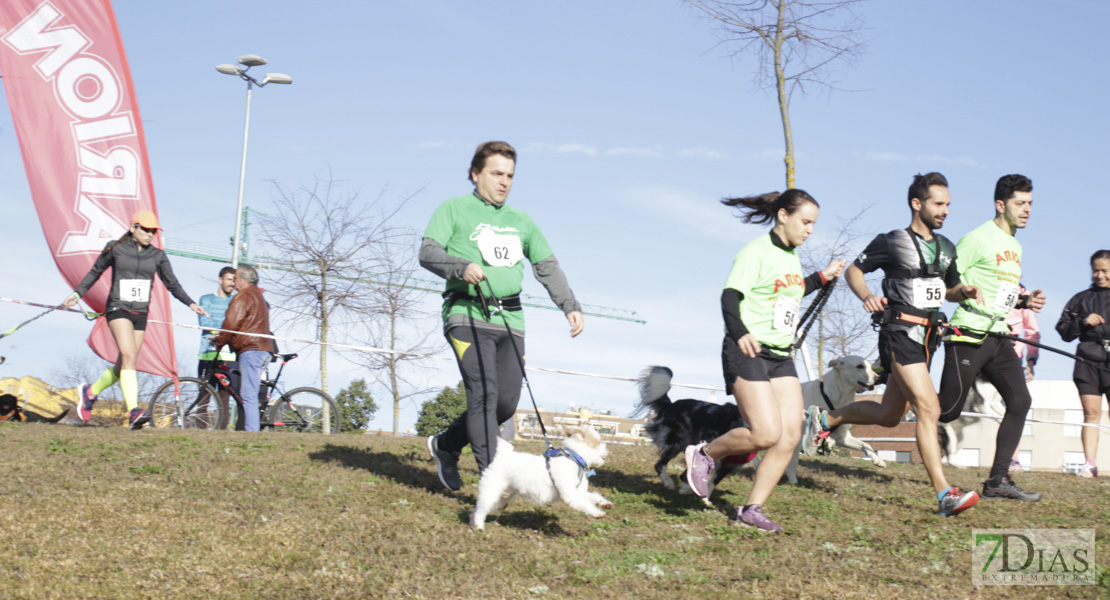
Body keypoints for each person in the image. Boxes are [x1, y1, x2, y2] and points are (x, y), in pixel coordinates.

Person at [811, 172, 982, 516]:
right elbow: (855, 272)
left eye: (948, 204)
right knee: (929, 409)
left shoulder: (947, 248)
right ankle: (944, 494)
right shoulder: (891, 241)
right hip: (899, 335)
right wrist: (867, 296)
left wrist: (961, 292)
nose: (945, 210)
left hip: (926, 341)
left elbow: (947, 289)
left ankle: (825, 420)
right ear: (917, 204)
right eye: (938, 203)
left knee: (889, 417)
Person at [420, 141, 584, 491]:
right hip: (467, 314)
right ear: (475, 173)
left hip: (510, 321)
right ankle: (493, 478)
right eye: (496, 173)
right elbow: (428, 252)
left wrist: (569, 304)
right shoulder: (453, 209)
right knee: (483, 393)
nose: (504, 181)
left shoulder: (520, 220)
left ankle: (446, 445)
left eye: (510, 175)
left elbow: (546, 265)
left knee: (506, 403)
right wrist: (460, 266)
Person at [683, 189, 845, 532]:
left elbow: (790, 290)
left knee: (789, 436)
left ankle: (751, 509)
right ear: (783, 215)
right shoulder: (754, 252)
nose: (810, 230)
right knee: (765, 433)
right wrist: (740, 331)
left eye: (814, 224)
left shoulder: (791, 256)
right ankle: (705, 454)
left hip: (780, 355)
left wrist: (823, 276)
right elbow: (730, 296)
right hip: (747, 349)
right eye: (805, 222)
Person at [937, 174, 1044, 502]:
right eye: (1019, 204)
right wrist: (961, 293)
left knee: (1021, 401)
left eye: (1029, 204)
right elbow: (946, 282)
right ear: (1001, 205)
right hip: (968, 334)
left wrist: (1025, 302)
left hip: (999, 336)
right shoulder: (977, 238)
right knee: (948, 411)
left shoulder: (1016, 246)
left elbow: (1002, 294)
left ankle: (998, 479)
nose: (1026, 210)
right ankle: (846, 418)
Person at [67, 210, 207, 429]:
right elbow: (95, 272)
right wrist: (76, 294)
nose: (151, 235)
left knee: (126, 363)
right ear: (133, 228)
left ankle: (90, 392)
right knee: (129, 354)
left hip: (140, 313)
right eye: (147, 230)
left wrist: (191, 303)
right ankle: (133, 411)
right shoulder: (116, 248)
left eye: (154, 231)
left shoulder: (158, 255)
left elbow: (173, 284)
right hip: (117, 308)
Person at [1055, 249, 1110, 478]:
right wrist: (1082, 323)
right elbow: (1063, 330)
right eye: (1095, 270)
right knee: (1091, 413)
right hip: (1087, 360)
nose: (1100, 275)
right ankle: (1090, 463)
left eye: (1105, 270)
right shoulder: (1080, 299)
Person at [210, 265, 273, 432]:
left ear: (244, 280)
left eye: (236, 278)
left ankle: (252, 434)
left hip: (252, 349)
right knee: (248, 392)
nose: (234, 282)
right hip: (261, 348)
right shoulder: (257, 296)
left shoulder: (244, 296)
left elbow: (231, 323)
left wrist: (220, 342)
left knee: (249, 395)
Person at [197, 267, 239, 424]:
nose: (232, 283)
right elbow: (204, 323)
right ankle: (200, 433)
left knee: (224, 397)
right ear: (220, 280)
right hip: (206, 353)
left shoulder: (236, 301)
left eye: (234, 280)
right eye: (229, 279)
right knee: (203, 395)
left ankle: (222, 434)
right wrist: (226, 326)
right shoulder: (206, 299)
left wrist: (220, 328)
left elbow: (234, 324)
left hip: (228, 355)